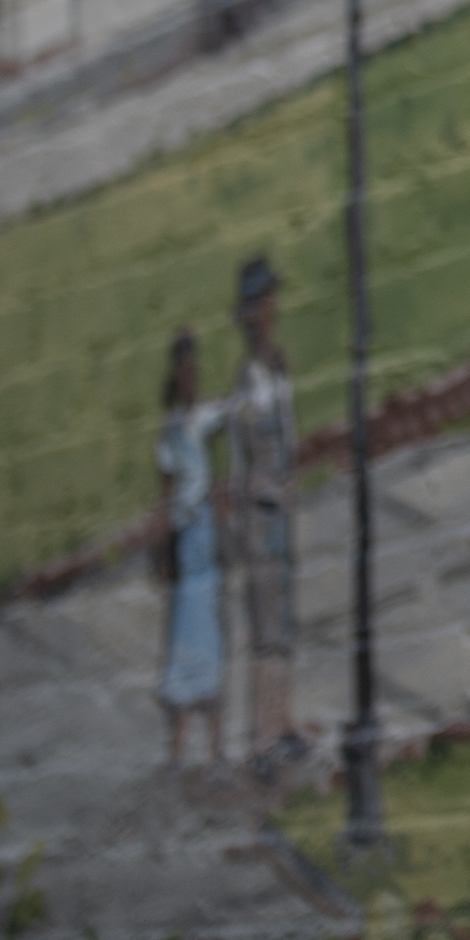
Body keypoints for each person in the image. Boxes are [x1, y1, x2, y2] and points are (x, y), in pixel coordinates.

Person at [225, 255, 300, 773]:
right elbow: (241, 461)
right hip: (260, 513)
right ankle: (262, 739)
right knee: (267, 628)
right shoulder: (248, 381)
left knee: (285, 624)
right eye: (262, 302)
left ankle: (284, 722)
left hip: (282, 510)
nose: (270, 310)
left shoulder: (277, 367)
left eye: (272, 299)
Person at [153, 327, 235, 769]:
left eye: (194, 370)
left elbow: (227, 413)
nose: (192, 379)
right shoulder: (171, 433)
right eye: (185, 372)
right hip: (188, 536)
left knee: (212, 639)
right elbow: (167, 494)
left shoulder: (200, 419)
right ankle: (180, 750)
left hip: (204, 530)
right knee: (187, 637)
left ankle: (217, 748)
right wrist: (163, 542)